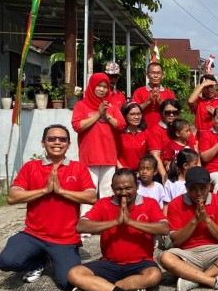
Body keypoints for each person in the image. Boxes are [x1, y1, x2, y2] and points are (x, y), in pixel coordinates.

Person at [0, 125, 97, 288]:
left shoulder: (78, 168)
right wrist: (44, 191)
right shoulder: (31, 167)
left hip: (65, 238)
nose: (57, 142)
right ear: (43, 143)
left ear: (68, 144)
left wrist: (61, 191)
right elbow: (12, 197)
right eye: (51, 139)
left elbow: (91, 197)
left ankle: (54, 257)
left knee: (68, 282)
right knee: (6, 262)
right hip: (33, 234)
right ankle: (37, 261)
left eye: (62, 139)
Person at [68, 169, 169, 291]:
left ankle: (98, 288)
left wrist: (130, 222)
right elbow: (81, 226)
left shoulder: (150, 203)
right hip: (109, 263)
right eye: (119, 189)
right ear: (112, 188)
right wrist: (115, 222)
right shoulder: (104, 203)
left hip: (140, 263)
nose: (124, 193)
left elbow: (164, 228)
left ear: (137, 186)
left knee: (154, 276)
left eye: (128, 188)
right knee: (74, 273)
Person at [159, 167, 218, 291]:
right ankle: (212, 281)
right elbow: (176, 241)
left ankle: (195, 279)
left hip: (214, 251)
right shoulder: (175, 204)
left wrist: (207, 220)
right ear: (186, 187)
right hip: (187, 253)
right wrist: (194, 221)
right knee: (164, 257)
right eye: (193, 189)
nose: (198, 193)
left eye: (202, 188)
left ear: (209, 186)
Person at [71, 73, 124, 215]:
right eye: (99, 86)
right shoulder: (81, 105)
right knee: (89, 191)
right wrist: (97, 115)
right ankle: (86, 221)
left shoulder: (111, 107)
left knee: (107, 191)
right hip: (89, 157)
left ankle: (106, 220)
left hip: (108, 156)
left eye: (105, 87)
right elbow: (77, 126)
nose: (102, 89)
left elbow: (121, 125)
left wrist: (106, 114)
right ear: (92, 86)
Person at [132, 62, 176, 128]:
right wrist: (148, 102)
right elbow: (133, 111)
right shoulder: (139, 91)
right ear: (147, 75)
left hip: (164, 130)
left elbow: (174, 113)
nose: (155, 76)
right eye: (152, 73)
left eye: (158, 73)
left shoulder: (169, 93)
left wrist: (161, 102)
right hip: (144, 129)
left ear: (163, 75)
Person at [147, 99, 182, 182]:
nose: (171, 114)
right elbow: (156, 155)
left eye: (175, 112)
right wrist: (164, 175)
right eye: (167, 112)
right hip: (163, 170)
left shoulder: (184, 128)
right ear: (162, 113)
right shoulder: (155, 130)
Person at [116, 102, 153, 171]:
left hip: (141, 173)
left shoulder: (146, 133)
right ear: (124, 116)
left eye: (139, 114)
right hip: (122, 173)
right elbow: (114, 156)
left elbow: (150, 155)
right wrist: (122, 170)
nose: (136, 117)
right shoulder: (119, 134)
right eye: (132, 114)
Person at [162, 149, 200, 213]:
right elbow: (166, 206)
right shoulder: (170, 184)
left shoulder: (197, 181)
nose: (198, 166)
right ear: (185, 166)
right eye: (195, 164)